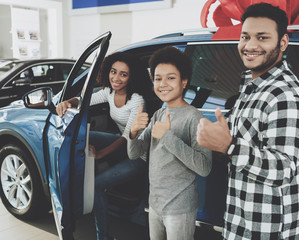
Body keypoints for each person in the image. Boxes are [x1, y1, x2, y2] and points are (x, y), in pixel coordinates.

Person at [196, 3, 299, 240]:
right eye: (245, 36)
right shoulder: (251, 84)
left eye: (262, 37)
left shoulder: (284, 96)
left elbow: (284, 168)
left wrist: (229, 146)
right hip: (241, 219)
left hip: (268, 228)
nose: (250, 46)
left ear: (282, 43)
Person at [56, 52, 153, 240]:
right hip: (122, 144)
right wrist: (68, 102)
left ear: (132, 76)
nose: (116, 78)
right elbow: (84, 100)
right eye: (113, 72)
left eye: (123, 74)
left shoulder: (137, 101)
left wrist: (99, 155)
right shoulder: (110, 92)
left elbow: (126, 138)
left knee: (96, 186)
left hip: (138, 154)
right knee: (80, 137)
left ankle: (104, 237)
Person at [127, 46, 212, 240]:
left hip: (180, 207)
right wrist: (133, 132)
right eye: (158, 78)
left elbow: (204, 167)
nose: (163, 84)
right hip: (155, 203)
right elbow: (135, 153)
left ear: (184, 82)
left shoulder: (194, 117)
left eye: (171, 78)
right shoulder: (158, 114)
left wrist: (167, 137)